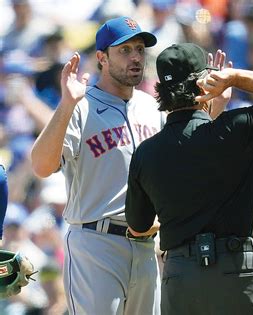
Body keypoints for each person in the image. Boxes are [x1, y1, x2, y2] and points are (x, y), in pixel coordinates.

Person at [124, 42, 253, 314]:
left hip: (180, 275)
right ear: (206, 82)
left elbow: (138, 227)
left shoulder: (146, 153)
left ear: (160, 91)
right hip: (236, 269)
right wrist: (235, 78)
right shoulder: (236, 127)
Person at [30, 16, 164, 315]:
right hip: (96, 242)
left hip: (146, 246)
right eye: (125, 50)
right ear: (102, 57)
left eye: (140, 49)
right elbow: (40, 165)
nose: (135, 57)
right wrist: (66, 105)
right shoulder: (80, 105)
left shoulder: (152, 107)